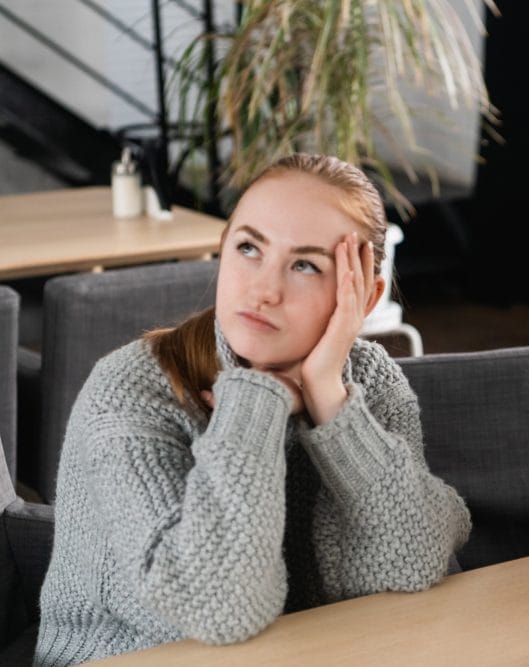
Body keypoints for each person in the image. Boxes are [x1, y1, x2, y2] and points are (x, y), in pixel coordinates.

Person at [35, 154, 471, 666]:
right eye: (248, 248)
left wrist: (330, 401)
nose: (264, 290)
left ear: (366, 293)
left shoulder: (367, 380)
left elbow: (413, 558)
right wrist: (253, 407)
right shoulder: (132, 390)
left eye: (305, 264)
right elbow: (220, 609)